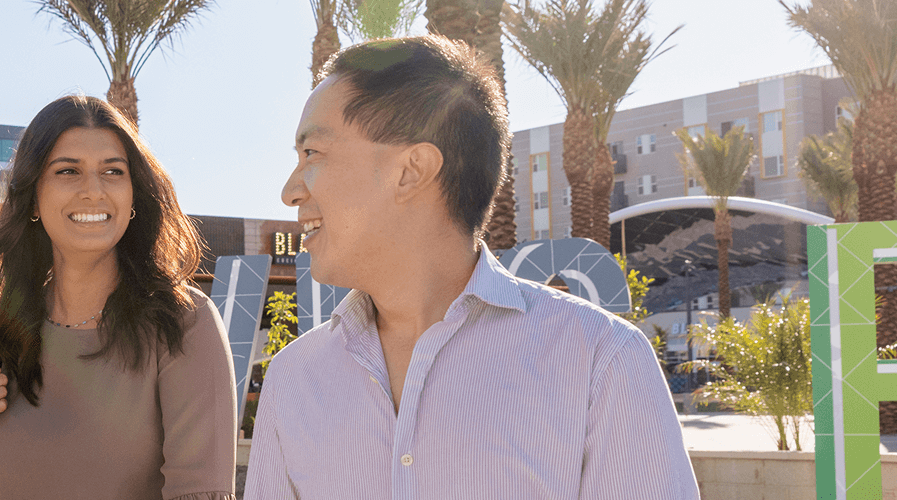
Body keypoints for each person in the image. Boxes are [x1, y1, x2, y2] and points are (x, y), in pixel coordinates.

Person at [243, 36, 697, 498]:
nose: (290, 190)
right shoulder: (294, 378)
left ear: (411, 170)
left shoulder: (601, 361)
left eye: (311, 154)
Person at [0, 96, 238, 500]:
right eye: (68, 171)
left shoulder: (183, 324)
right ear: (33, 198)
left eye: (113, 171)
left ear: (134, 196)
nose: (93, 191)